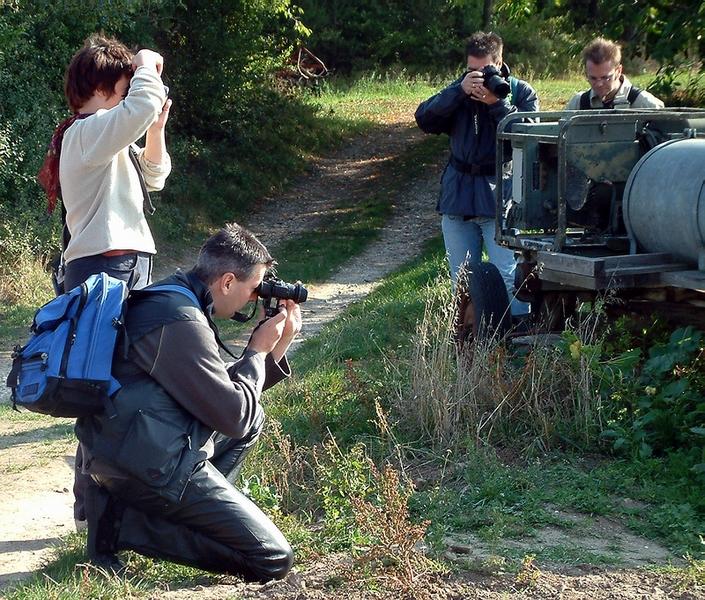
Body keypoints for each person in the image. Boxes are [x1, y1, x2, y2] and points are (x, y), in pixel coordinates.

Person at [74, 222, 300, 581]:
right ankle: (125, 526)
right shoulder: (179, 319)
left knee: (252, 421)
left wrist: (278, 346)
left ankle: (146, 511)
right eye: (253, 288)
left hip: (128, 447)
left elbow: (225, 400)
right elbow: (233, 415)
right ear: (227, 282)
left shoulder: (174, 298)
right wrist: (257, 352)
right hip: (141, 461)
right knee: (273, 558)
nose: (255, 298)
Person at [37, 34, 172, 530]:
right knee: (104, 392)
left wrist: (154, 126)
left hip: (125, 264)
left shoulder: (103, 133)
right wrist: (147, 65)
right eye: (126, 79)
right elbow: (142, 99)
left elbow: (154, 175)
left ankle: (107, 509)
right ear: (107, 83)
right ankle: (91, 514)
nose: (132, 85)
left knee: (126, 388)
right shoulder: (85, 132)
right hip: (104, 269)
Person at [415, 31, 538, 316]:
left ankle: (520, 342)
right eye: (472, 71)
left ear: (499, 62)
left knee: (510, 278)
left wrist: (497, 104)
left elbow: (530, 137)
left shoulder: (520, 92)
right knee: (461, 283)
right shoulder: (459, 90)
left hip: (499, 199)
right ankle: (469, 343)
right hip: (458, 198)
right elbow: (425, 119)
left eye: (484, 71)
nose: (478, 78)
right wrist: (458, 92)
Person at [566, 37, 664, 110]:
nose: (599, 84)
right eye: (593, 78)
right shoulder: (578, 104)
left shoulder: (644, 103)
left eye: (605, 78)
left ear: (618, 71)